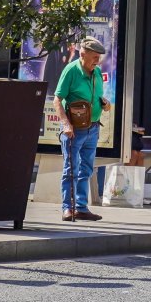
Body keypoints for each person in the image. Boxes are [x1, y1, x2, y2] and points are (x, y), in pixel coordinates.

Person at [54, 36, 109, 222]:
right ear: (82, 54)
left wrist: (105, 104)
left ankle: (81, 207)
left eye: (99, 57)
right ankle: (67, 208)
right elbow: (57, 99)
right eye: (94, 57)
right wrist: (66, 124)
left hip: (93, 128)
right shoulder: (71, 70)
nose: (97, 61)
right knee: (71, 169)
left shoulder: (97, 72)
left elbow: (99, 97)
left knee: (86, 169)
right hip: (74, 130)